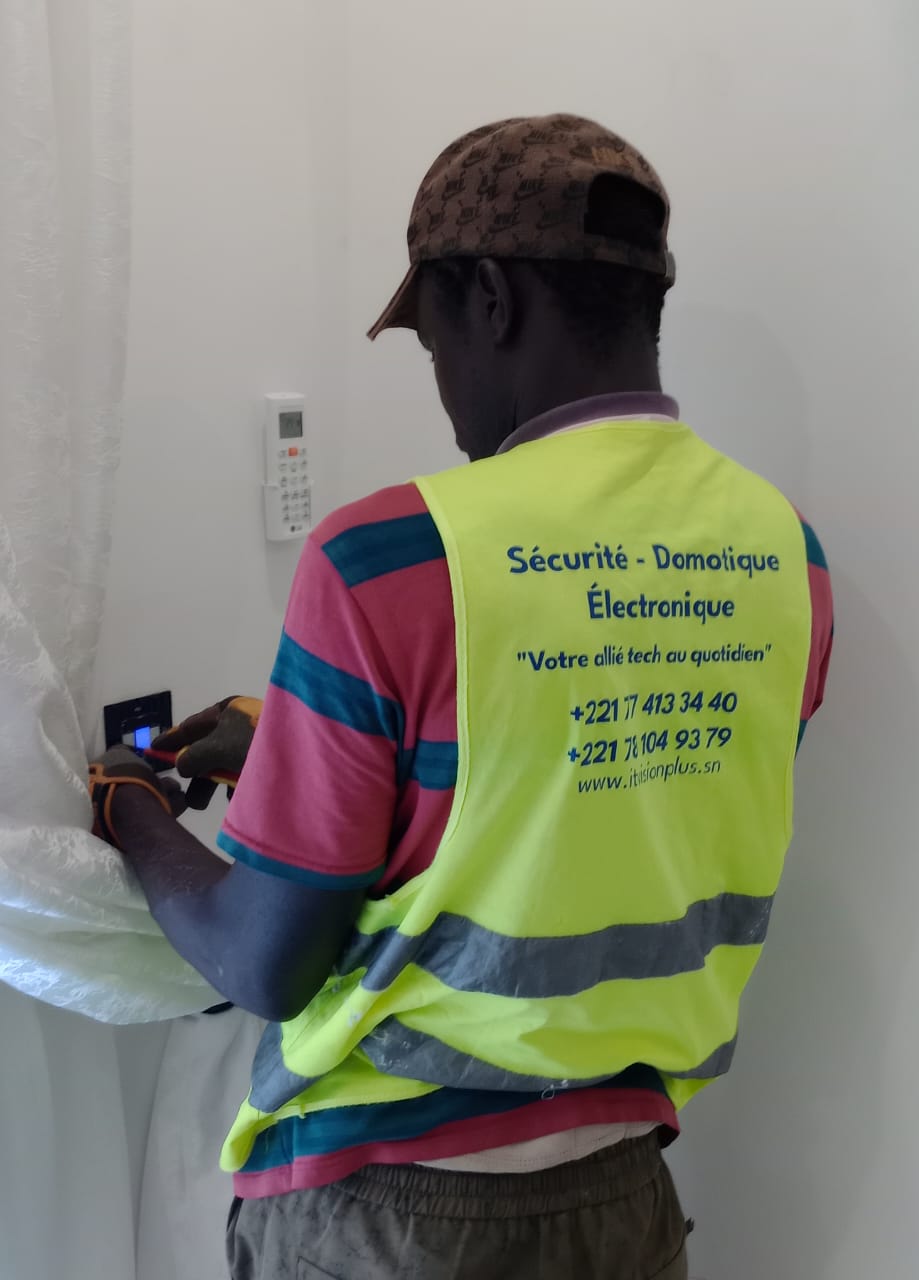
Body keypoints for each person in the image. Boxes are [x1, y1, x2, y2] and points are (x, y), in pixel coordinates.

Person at [91, 115, 833, 1279]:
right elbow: (581, 781)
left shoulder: (386, 556)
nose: (444, 386)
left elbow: (263, 962)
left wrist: (128, 806)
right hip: (625, 1202)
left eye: (433, 341)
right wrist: (304, 748)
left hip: (398, 1220)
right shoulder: (788, 556)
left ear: (490, 298)